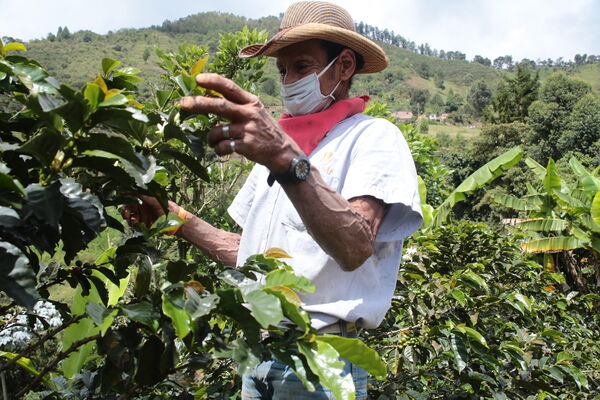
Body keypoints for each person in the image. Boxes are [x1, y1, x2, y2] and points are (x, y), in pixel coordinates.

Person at [123, 1, 422, 398]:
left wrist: (283, 157)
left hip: (321, 358)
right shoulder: (281, 146)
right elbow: (251, 255)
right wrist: (176, 219)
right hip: (260, 355)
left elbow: (355, 245)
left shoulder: (372, 138)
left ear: (345, 66)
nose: (289, 80)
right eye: (282, 70)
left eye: (302, 66)